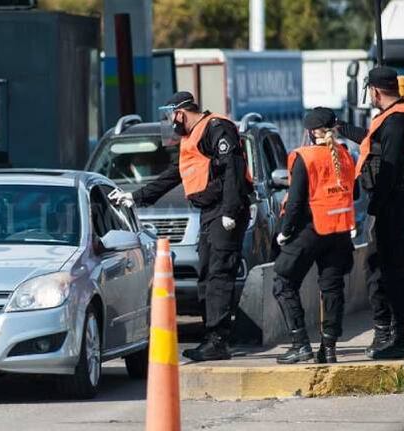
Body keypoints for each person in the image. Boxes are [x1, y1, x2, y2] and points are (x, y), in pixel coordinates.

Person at [110, 91, 252, 361]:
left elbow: (233, 169)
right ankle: (211, 338)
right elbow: (175, 174)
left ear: (180, 113)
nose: (169, 122)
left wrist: (231, 211)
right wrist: (137, 196)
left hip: (225, 210)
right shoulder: (192, 137)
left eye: (169, 116)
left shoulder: (216, 128)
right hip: (210, 212)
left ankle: (218, 341)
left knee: (219, 275)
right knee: (208, 275)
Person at [339, 66, 404, 360]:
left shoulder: (399, 120)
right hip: (394, 201)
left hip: (393, 203)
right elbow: (374, 143)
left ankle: (399, 337)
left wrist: (375, 207)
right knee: (380, 266)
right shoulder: (396, 116)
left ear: (375, 91)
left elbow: (389, 167)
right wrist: (340, 127)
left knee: (391, 269)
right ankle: (387, 331)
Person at [272, 107, 356, 364]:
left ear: (310, 132)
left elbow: (295, 202)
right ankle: (328, 349)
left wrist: (285, 232)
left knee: (283, 281)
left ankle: (300, 345)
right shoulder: (344, 154)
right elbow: (356, 193)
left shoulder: (304, 157)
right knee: (332, 288)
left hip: (311, 230)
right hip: (339, 231)